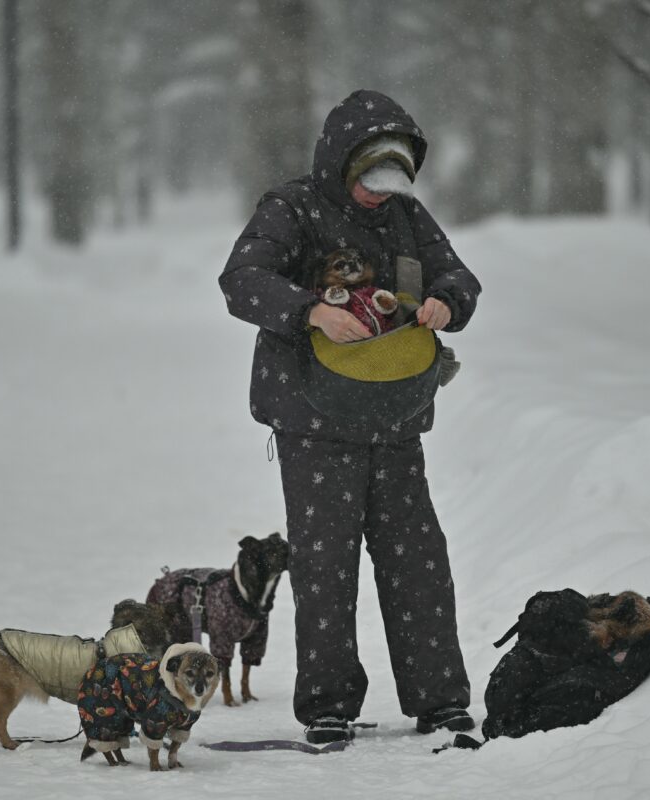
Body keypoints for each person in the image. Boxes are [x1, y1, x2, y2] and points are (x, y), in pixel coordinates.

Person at [219, 89, 481, 744]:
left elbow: (460, 279)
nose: (378, 194)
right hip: (312, 425)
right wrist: (310, 309)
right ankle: (329, 705)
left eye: (391, 182)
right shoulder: (292, 207)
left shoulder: (406, 217)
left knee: (418, 560)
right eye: (369, 180)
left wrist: (446, 303)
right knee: (324, 567)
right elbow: (242, 278)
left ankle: (440, 700)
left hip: (393, 421)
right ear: (341, 162)